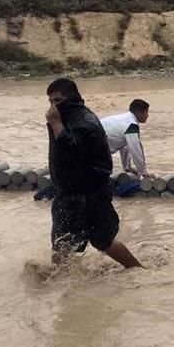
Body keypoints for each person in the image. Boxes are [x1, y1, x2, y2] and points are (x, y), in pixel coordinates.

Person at [44, 78, 143, 269]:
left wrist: (56, 124)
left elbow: (73, 151)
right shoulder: (68, 118)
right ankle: (59, 286)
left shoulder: (85, 122)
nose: (53, 107)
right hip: (69, 193)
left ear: (71, 99)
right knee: (62, 243)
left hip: (89, 195)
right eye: (50, 102)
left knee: (102, 241)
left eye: (57, 101)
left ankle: (137, 270)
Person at [101, 99, 150, 178]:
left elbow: (125, 145)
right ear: (138, 113)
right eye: (146, 112)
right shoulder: (131, 124)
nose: (147, 115)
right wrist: (143, 172)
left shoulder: (124, 118)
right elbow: (135, 150)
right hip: (95, 149)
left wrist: (127, 167)